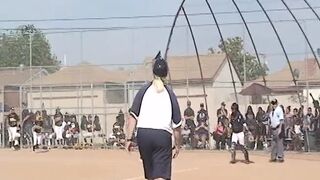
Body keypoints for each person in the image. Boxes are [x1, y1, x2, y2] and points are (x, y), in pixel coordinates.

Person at [125, 51, 182, 180]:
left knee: (151, 176)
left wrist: (129, 139)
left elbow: (132, 116)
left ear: (153, 72)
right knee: (160, 175)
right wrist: (178, 145)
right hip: (162, 136)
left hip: (143, 135)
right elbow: (177, 126)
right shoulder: (170, 93)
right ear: (166, 73)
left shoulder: (144, 90)